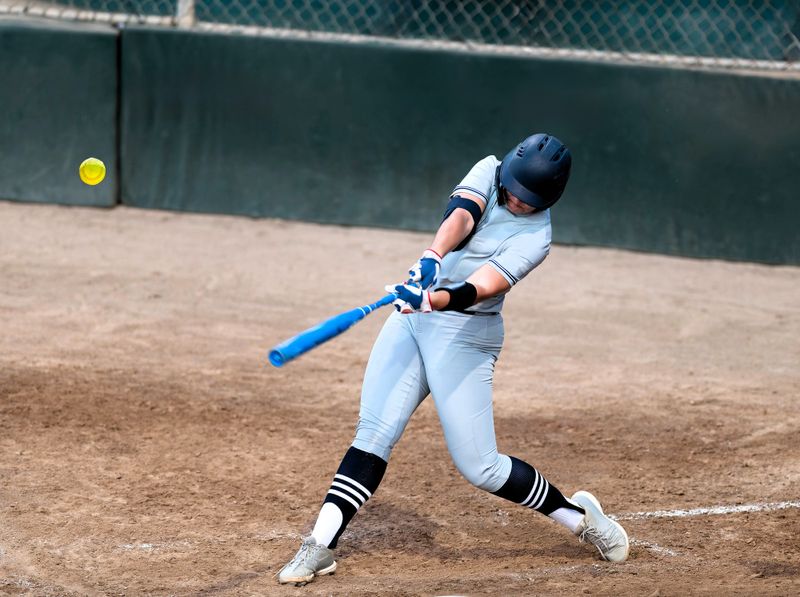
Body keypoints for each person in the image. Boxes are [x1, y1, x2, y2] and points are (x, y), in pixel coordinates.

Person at [277, 133, 629, 586]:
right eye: (512, 191)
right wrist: (432, 256)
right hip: (412, 323)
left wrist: (432, 299)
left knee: (481, 467)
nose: (515, 201)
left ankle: (581, 519)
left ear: (547, 199)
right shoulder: (489, 170)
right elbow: (463, 213)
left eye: (526, 199)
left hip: (466, 336)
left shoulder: (537, 238)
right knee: (374, 432)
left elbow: (482, 286)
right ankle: (319, 546)